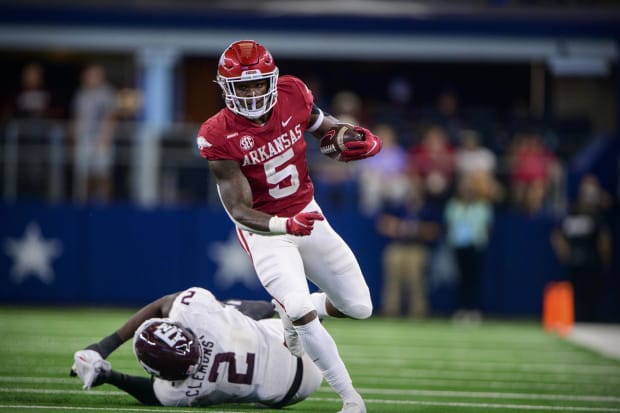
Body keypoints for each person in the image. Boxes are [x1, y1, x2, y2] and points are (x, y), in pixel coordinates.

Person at [196, 40, 382, 413]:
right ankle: (350, 399)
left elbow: (325, 130)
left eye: (257, 84)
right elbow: (238, 209)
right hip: (265, 231)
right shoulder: (217, 133)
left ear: (272, 80)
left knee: (360, 307)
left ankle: (288, 311)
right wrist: (284, 224)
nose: (251, 94)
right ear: (226, 88)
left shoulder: (293, 93)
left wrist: (353, 137)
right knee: (299, 308)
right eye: (242, 87)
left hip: (307, 213)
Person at [71, 286, 323, 408]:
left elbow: (151, 393)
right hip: (296, 343)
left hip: (291, 395)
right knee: (236, 315)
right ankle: (310, 308)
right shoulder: (195, 313)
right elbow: (162, 305)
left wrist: (110, 374)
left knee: (235, 318)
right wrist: (103, 347)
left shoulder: (179, 391)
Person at [551, 174, 612, 322]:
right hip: (574, 262)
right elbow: (557, 233)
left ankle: (592, 320)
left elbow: (604, 239)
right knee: (574, 297)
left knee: (592, 297)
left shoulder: (598, 214)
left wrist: (605, 258)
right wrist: (563, 251)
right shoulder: (572, 211)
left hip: (592, 263)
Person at [444, 173, 494, 322]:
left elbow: (488, 227)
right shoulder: (453, 206)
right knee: (460, 280)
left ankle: (474, 310)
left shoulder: (482, 207)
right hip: (459, 247)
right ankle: (461, 309)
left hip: (475, 247)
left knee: (474, 279)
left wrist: (479, 239)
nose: (467, 190)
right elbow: (449, 225)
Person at [71, 64, 117, 203]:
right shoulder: (81, 94)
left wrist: (106, 138)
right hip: (84, 139)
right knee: (85, 175)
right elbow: (76, 116)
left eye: (96, 75)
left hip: (102, 140)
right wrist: (75, 137)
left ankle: (104, 204)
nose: (93, 78)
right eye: (90, 75)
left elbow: (112, 117)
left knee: (103, 174)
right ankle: (84, 203)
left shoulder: (107, 93)